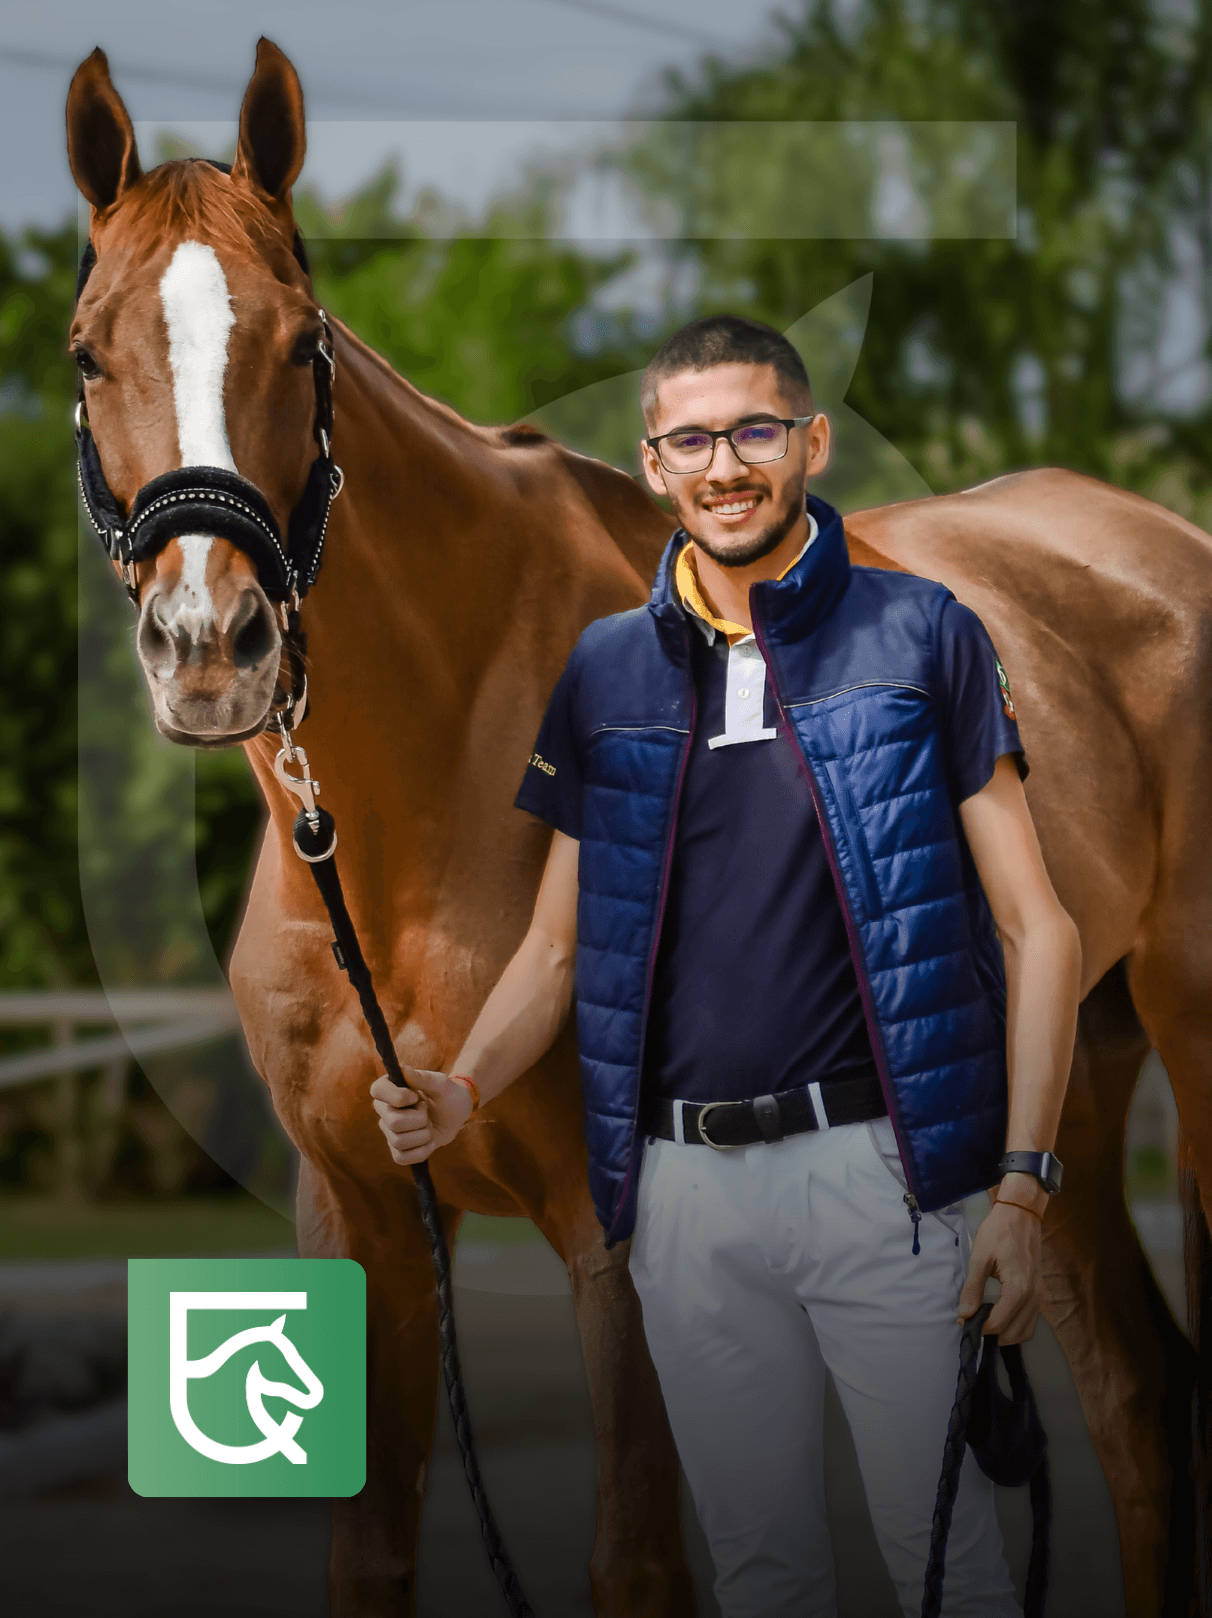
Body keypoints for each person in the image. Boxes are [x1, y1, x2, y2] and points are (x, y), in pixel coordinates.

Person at [371, 314, 1082, 1618]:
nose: (726, 463)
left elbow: (1042, 927)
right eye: (692, 438)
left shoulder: (925, 636)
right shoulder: (605, 672)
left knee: (946, 1562)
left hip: (876, 1175)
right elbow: (556, 942)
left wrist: (1025, 1198)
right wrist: (461, 1090)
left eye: (755, 429)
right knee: (762, 1573)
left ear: (810, 441)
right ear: (652, 466)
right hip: (685, 1197)